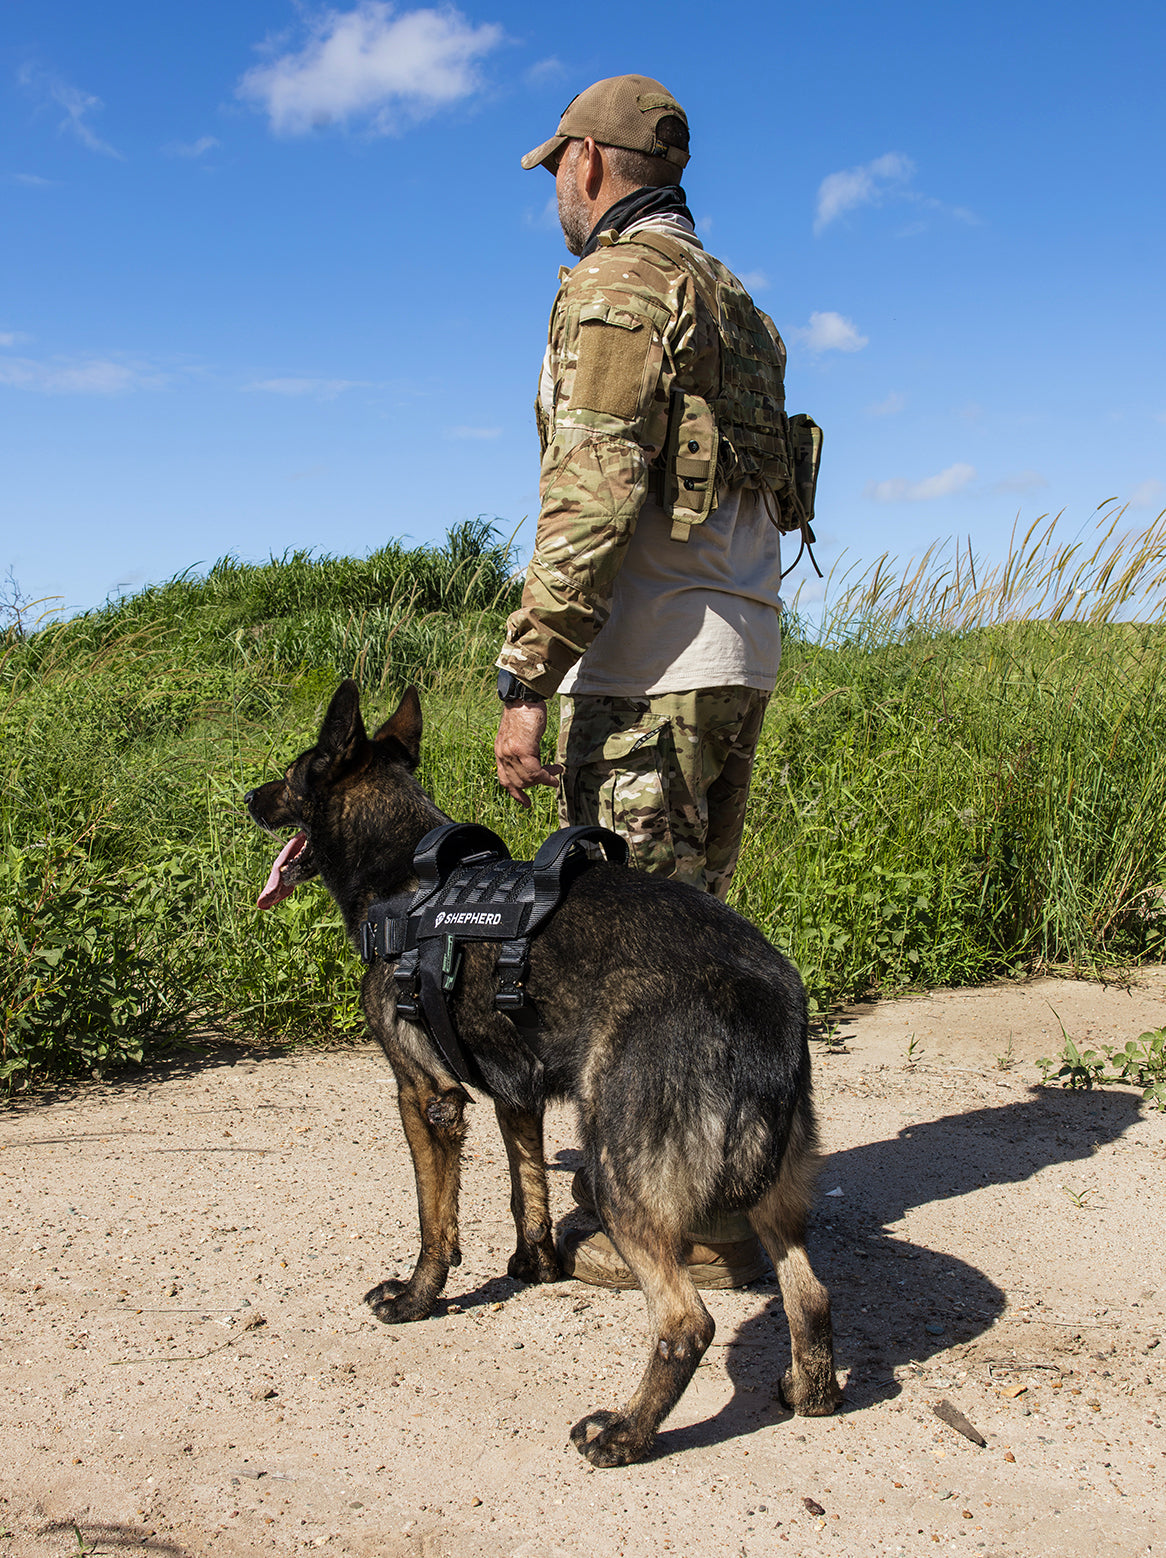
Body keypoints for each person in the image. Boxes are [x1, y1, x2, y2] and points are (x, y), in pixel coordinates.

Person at [493, 74, 805, 1289]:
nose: (554, 201)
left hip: (649, 666)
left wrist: (529, 668)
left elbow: (593, 489)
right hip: (734, 653)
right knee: (694, 934)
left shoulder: (616, 287)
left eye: (556, 173)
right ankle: (720, 1193)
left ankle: (691, 1235)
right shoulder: (738, 301)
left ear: (587, 165)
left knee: (641, 961)